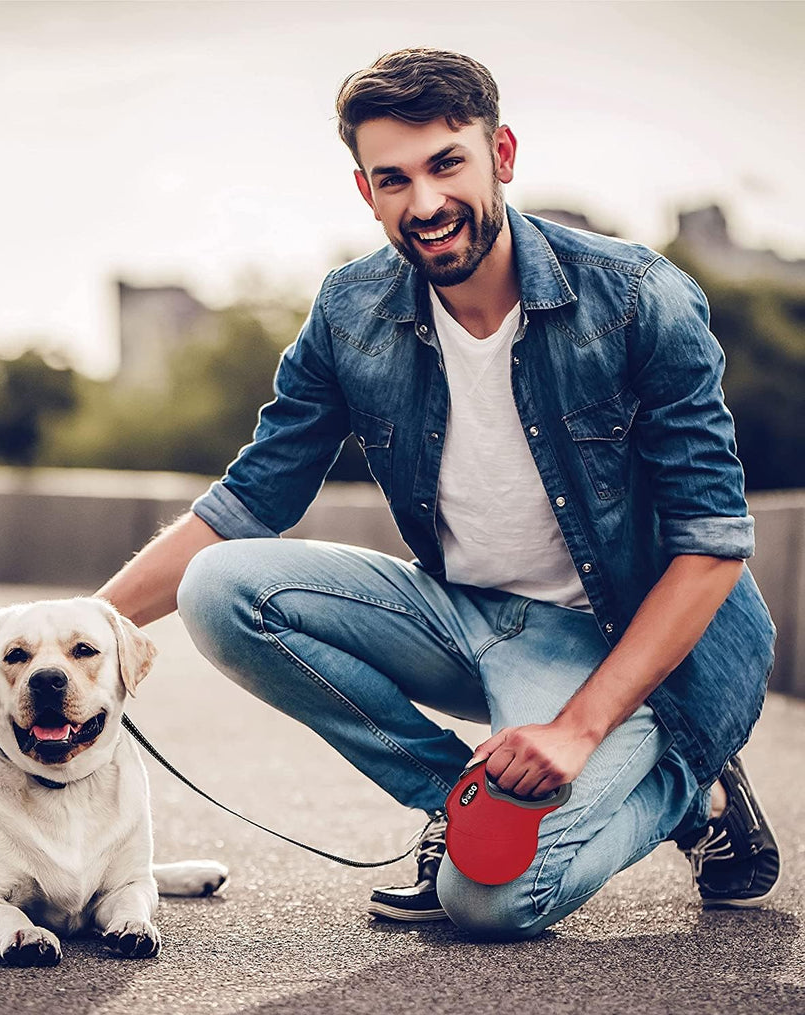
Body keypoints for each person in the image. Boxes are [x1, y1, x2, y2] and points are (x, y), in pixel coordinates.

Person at [97, 48, 780, 937]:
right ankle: (455, 803)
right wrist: (63, 639)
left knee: (489, 900)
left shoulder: (637, 299)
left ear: (502, 155)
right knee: (218, 589)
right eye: (394, 179)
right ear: (366, 191)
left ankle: (695, 790)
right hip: (469, 618)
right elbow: (249, 500)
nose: (424, 203)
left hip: (635, 649)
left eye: (447, 164)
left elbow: (711, 544)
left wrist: (577, 729)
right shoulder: (351, 312)